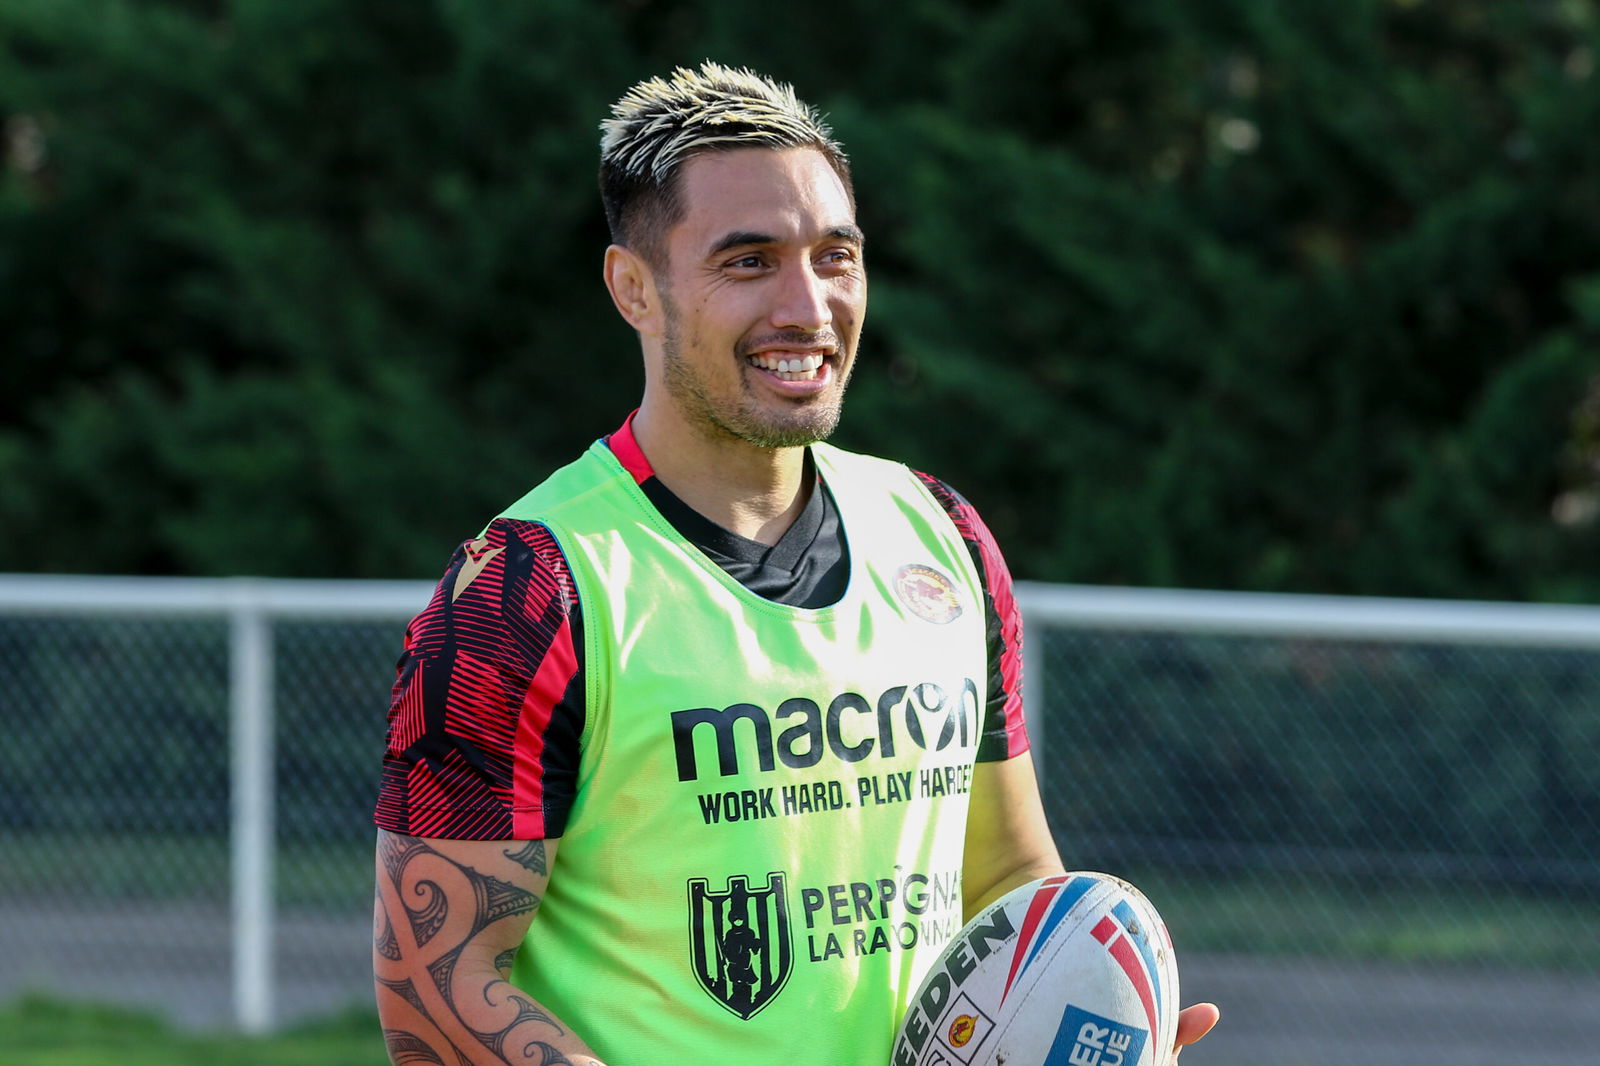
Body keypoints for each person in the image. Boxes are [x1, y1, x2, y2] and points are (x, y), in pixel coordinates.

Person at [372, 61, 1219, 1065]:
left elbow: (1004, 878)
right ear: (633, 287)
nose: (807, 305)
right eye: (749, 261)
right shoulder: (528, 589)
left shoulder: (941, 533)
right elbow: (435, 987)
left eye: (836, 255)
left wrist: (1083, 1028)